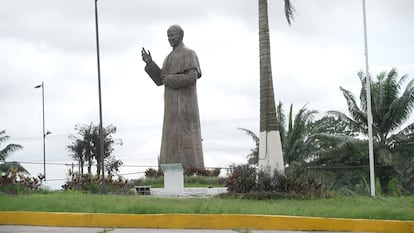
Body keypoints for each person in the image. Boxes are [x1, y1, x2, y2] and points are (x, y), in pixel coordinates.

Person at [141, 24, 204, 169]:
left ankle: (191, 169)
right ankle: (167, 170)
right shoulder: (168, 57)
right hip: (171, 108)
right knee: (170, 138)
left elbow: (192, 77)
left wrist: (171, 80)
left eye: (172, 35)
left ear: (181, 35)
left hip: (185, 106)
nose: (169, 38)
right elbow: (160, 80)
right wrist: (150, 63)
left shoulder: (189, 54)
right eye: (168, 36)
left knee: (185, 137)